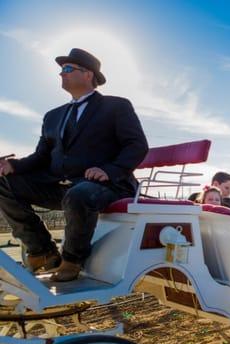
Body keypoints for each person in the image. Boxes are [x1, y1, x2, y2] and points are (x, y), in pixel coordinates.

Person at [0, 48, 148, 282]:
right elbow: (41, 156)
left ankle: (71, 260)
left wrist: (108, 170)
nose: (62, 74)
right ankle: (42, 251)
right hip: (60, 185)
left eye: (68, 69)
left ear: (88, 74)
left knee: (79, 194)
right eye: (61, 70)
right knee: (3, 183)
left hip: (107, 186)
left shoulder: (117, 106)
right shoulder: (52, 116)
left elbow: (137, 145)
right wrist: (13, 165)